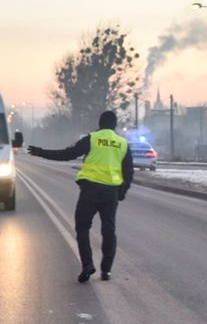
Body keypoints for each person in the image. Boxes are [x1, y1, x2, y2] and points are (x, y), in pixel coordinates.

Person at [26, 110, 133, 282]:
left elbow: (67, 154)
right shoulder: (122, 144)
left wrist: (41, 152)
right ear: (115, 125)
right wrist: (122, 191)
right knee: (109, 230)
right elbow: (128, 171)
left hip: (90, 191)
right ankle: (106, 270)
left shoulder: (92, 139)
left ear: (99, 124)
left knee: (82, 228)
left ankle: (87, 265)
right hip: (110, 193)